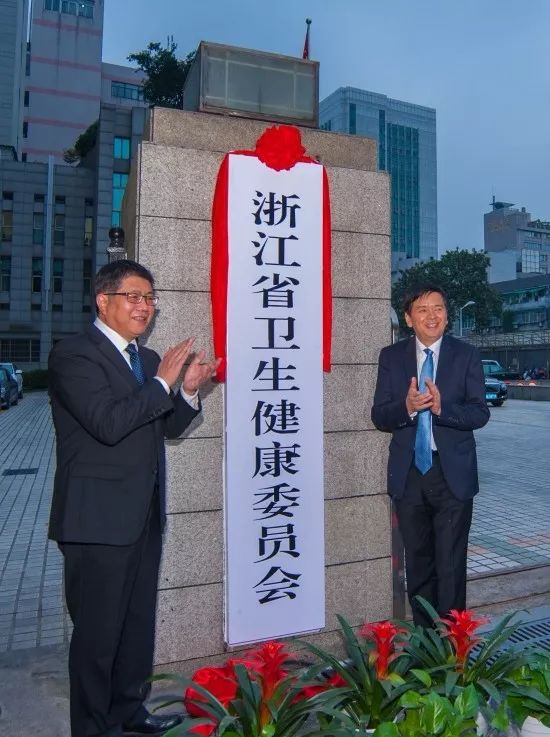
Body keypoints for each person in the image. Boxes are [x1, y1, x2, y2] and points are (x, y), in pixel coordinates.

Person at [48, 260, 220, 737]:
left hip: (142, 516)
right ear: (103, 301)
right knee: (97, 636)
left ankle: (129, 710)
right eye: (135, 297)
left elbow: (165, 428)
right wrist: (165, 382)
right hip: (96, 521)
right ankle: (92, 727)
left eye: (150, 299)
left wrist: (186, 391)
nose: (145, 307)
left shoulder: (145, 361)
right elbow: (107, 422)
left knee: (135, 625)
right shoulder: (73, 355)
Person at [371, 285, 489, 627]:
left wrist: (442, 408)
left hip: (452, 474)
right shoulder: (391, 357)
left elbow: (480, 413)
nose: (431, 316)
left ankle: (453, 648)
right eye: (422, 310)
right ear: (409, 318)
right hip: (409, 475)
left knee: (451, 564)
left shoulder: (465, 355)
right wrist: (407, 407)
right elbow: (379, 416)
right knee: (419, 563)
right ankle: (425, 643)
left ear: (447, 316)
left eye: (438, 308)